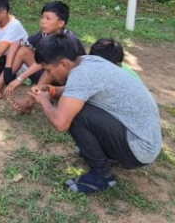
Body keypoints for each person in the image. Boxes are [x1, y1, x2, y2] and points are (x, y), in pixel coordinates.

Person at [29, 34, 162, 194]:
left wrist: (44, 101)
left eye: (49, 70)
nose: (48, 75)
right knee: (74, 103)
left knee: (76, 113)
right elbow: (78, 90)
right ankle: (106, 154)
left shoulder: (82, 74)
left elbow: (60, 123)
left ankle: (102, 176)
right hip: (144, 138)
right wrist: (51, 90)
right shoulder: (88, 62)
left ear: (64, 63)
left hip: (140, 149)